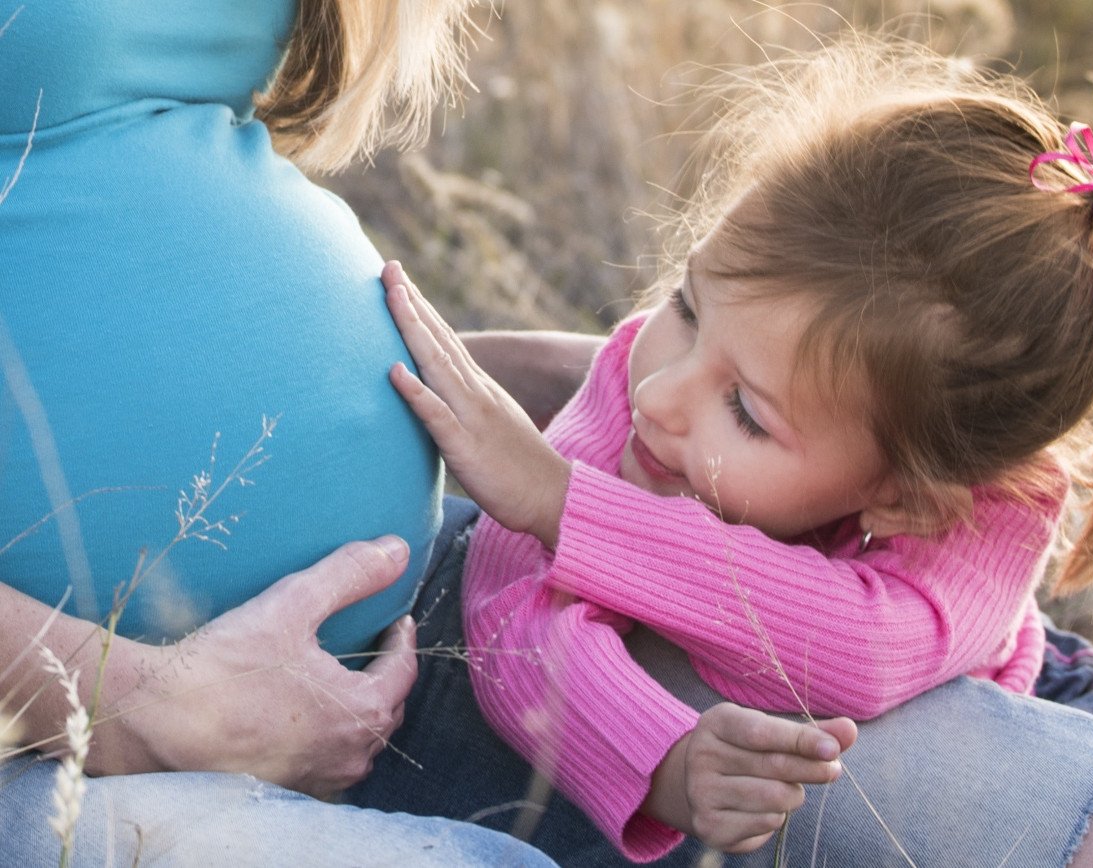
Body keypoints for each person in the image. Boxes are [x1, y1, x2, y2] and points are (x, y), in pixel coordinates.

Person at [369, 31, 1093, 866]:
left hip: (1007, 705)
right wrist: (660, 753)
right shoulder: (646, 389)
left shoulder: (988, 509)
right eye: (686, 307)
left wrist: (566, 506)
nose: (658, 395)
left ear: (908, 498)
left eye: (748, 413)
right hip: (766, 742)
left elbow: (860, 653)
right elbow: (506, 606)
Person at [0, 1, 842, 863]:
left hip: (413, 640)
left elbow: (118, 201)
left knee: (916, 789)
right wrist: (137, 708)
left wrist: (502, 396)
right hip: (55, 742)